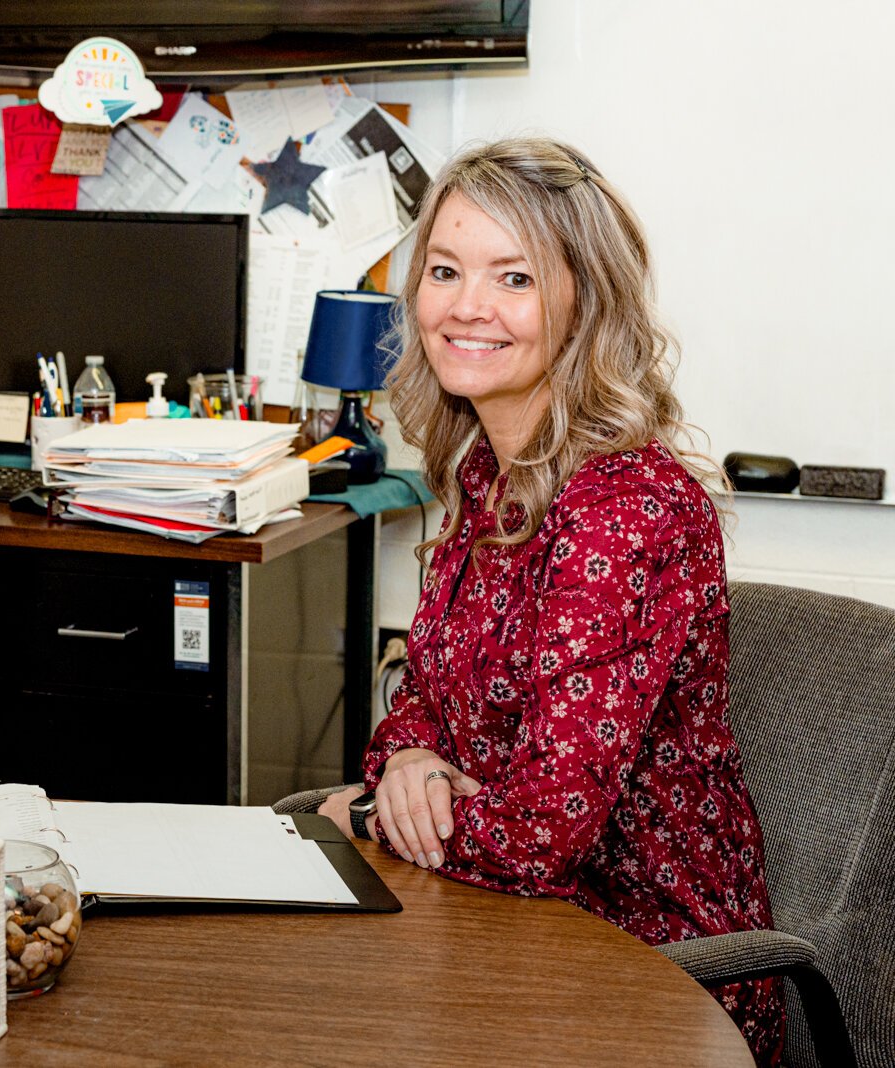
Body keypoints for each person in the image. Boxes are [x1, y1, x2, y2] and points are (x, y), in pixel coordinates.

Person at [316, 138, 782, 1063]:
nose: (467, 307)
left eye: (514, 278)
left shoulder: (625, 508)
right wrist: (409, 756)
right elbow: (426, 696)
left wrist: (370, 813)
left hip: (646, 960)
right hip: (487, 918)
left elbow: (540, 832)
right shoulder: (489, 470)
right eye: (444, 271)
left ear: (584, 305)